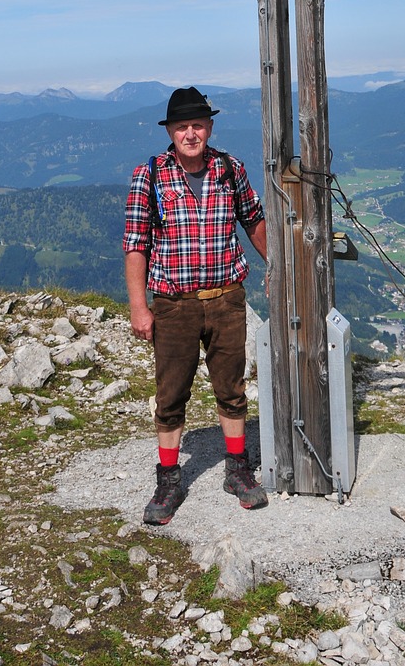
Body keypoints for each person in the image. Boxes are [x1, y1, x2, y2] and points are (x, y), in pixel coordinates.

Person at [123, 85, 269, 524]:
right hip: (174, 303)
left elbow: (254, 220)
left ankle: (237, 470)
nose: (191, 133)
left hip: (227, 297)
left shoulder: (231, 169)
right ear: (170, 130)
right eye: (183, 126)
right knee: (170, 394)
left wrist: (279, 266)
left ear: (210, 126)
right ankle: (168, 479)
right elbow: (135, 244)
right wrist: (138, 307)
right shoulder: (148, 174)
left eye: (198, 125)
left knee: (232, 387)